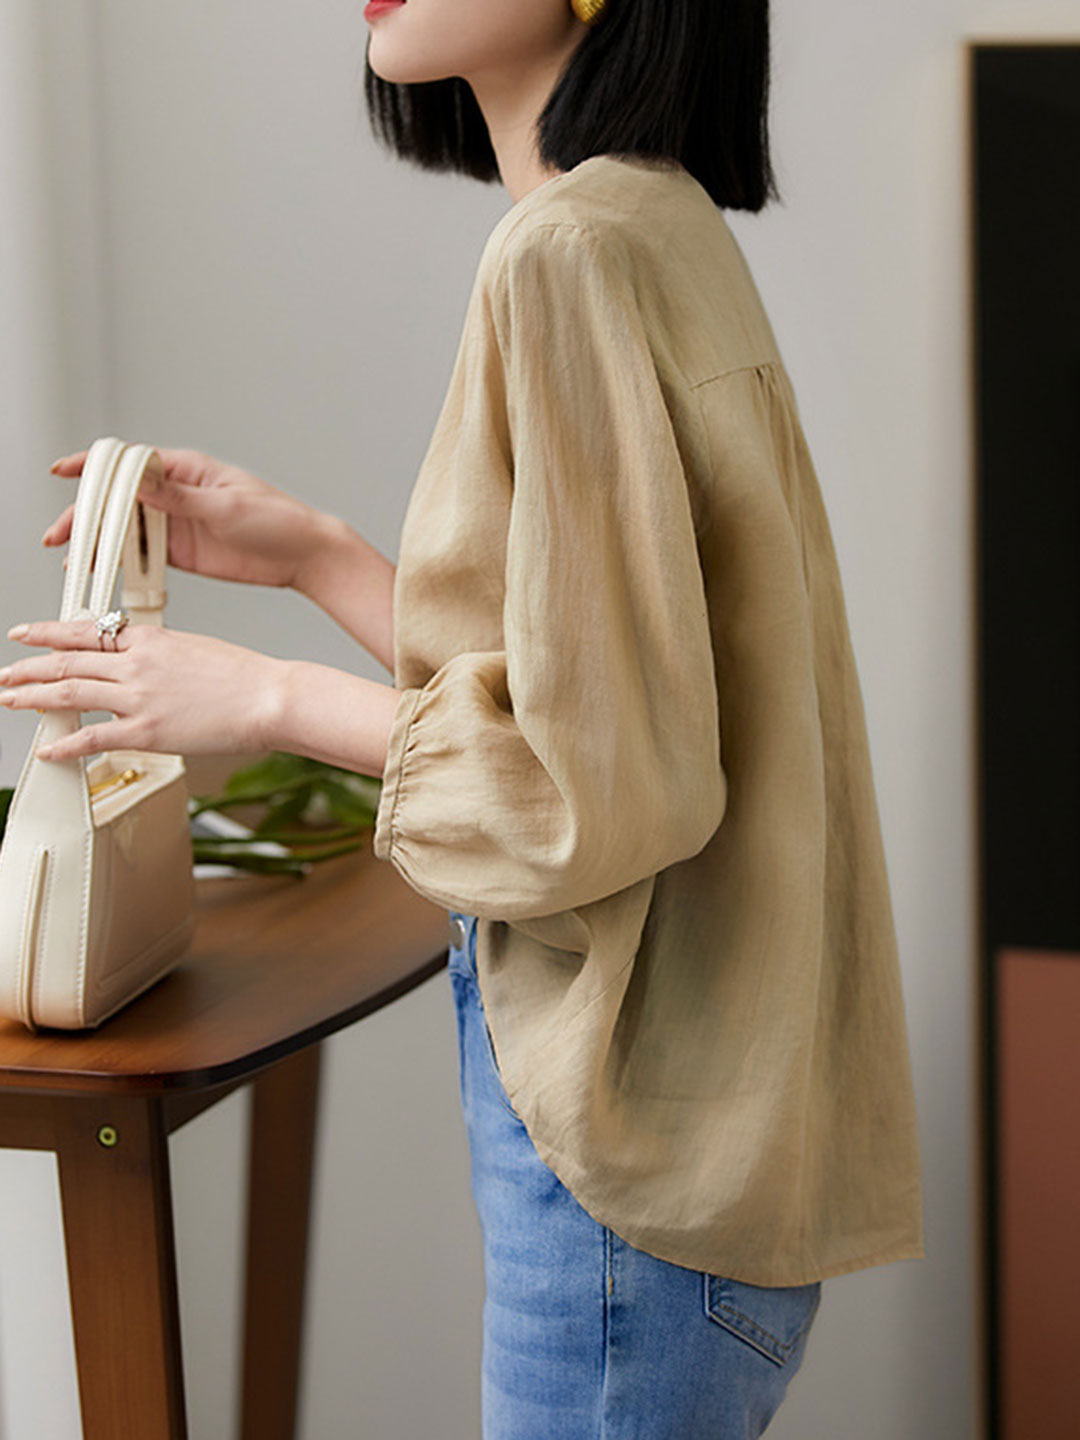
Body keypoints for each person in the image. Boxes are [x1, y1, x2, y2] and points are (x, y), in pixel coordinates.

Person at [3, 0, 924, 1434]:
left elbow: (591, 784)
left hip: (629, 1188)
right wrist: (314, 556)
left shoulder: (562, 253)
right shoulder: (649, 220)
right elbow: (621, 695)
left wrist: (264, 695)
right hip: (694, 1165)